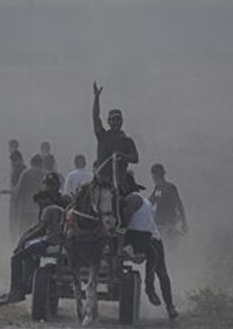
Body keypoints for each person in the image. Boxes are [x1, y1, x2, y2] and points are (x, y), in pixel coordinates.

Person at [0, 174, 69, 306]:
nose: (48, 187)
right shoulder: (62, 201)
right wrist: (26, 235)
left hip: (51, 241)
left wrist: (25, 238)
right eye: (47, 184)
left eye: (51, 184)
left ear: (57, 186)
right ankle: (26, 285)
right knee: (28, 252)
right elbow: (40, 226)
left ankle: (17, 291)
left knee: (17, 257)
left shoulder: (48, 204)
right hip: (59, 241)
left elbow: (41, 228)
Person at [123, 181, 178, 320]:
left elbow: (126, 221)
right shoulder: (137, 200)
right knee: (160, 269)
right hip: (142, 237)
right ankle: (166, 303)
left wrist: (120, 237)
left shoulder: (133, 199)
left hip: (152, 238)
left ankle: (167, 304)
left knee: (161, 271)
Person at [91, 82, 139, 194]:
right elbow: (95, 117)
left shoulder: (127, 141)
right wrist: (96, 98)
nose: (116, 122)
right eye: (113, 119)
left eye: (118, 119)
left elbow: (135, 158)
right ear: (109, 121)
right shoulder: (103, 136)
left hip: (120, 185)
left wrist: (122, 156)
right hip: (101, 182)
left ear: (122, 121)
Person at [149, 163, 188, 238]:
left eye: (154, 176)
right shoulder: (157, 188)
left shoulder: (170, 188)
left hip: (169, 223)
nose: (153, 178)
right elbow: (150, 202)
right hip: (159, 223)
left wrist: (184, 222)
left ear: (158, 175)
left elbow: (179, 205)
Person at [11, 154, 47, 234]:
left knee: (23, 230)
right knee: (38, 231)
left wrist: (16, 203)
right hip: (40, 208)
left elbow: (20, 189)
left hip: (26, 207)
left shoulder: (26, 173)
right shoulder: (45, 174)